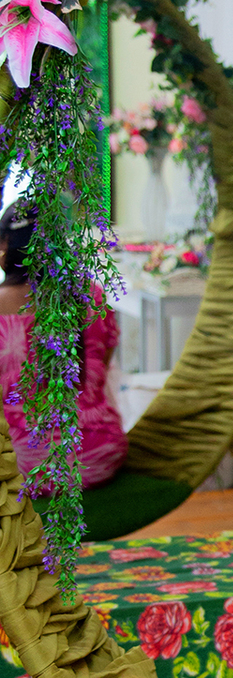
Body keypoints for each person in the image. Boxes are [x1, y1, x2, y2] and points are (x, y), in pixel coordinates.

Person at [0, 201, 127, 488]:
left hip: (24, 464)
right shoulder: (92, 296)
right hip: (98, 455)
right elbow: (100, 373)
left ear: (6, 245)